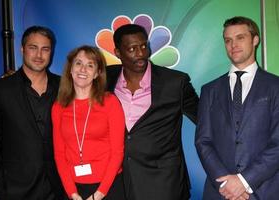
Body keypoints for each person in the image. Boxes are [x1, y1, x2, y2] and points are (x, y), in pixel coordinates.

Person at [106, 24, 199, 200]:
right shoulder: (104, 78)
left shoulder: (175, 83)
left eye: (143, 46)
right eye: (132, 49)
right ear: (118, 52)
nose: (141, 53)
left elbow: (205, 121)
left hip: (163, 183)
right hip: (116, 182)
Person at [195, 16, 279, 200]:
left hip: (265, 191)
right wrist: (227, 185)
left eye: (240, 37)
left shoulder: (275, 87)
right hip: (220, 193)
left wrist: (243, 181)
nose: (233, 44)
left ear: (255, 40)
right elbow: (203, 142)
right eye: (228, 40)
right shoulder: (210, 90)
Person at [0, 26, 67, 199]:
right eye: (33, 48)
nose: (39, 55)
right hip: (16, 190)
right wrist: (0, 190)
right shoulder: (0, 89)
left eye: (45, 49)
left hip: (59, 189)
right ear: (22, 49)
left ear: (51, 52)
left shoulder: (65, 87)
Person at [52, 45, 126, 200]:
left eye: (90, 65)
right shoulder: (59, 106)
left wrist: (99, 194)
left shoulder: (110, 102)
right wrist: (72, 193)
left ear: (97, 73)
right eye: (78, 63)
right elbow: (59, 154)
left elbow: (117, 152)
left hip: (108, 187)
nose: (83, 69)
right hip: (74, 189)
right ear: (70, 69)